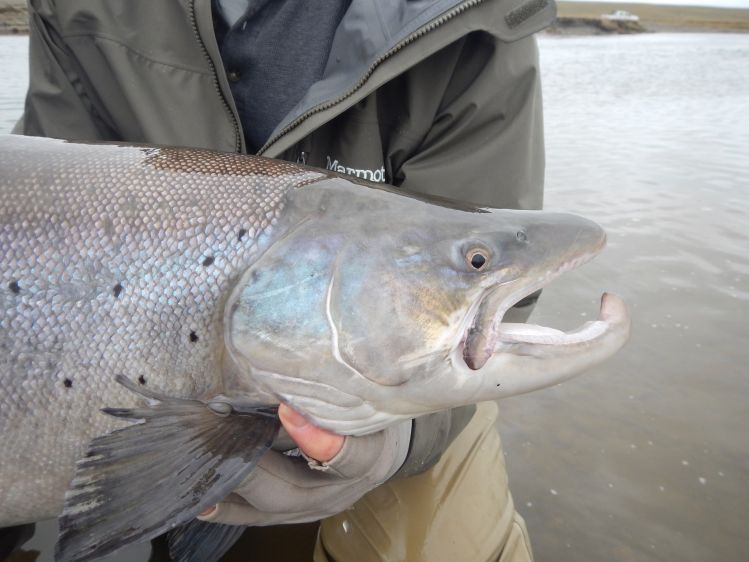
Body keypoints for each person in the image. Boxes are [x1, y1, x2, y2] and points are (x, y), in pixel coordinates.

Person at [15, 0, 556, 560]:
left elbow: (472, 323)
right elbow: (47, 209)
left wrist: (399, 443)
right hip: (100, 352)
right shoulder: (79, 7)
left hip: (407, 378)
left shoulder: (469, 15)